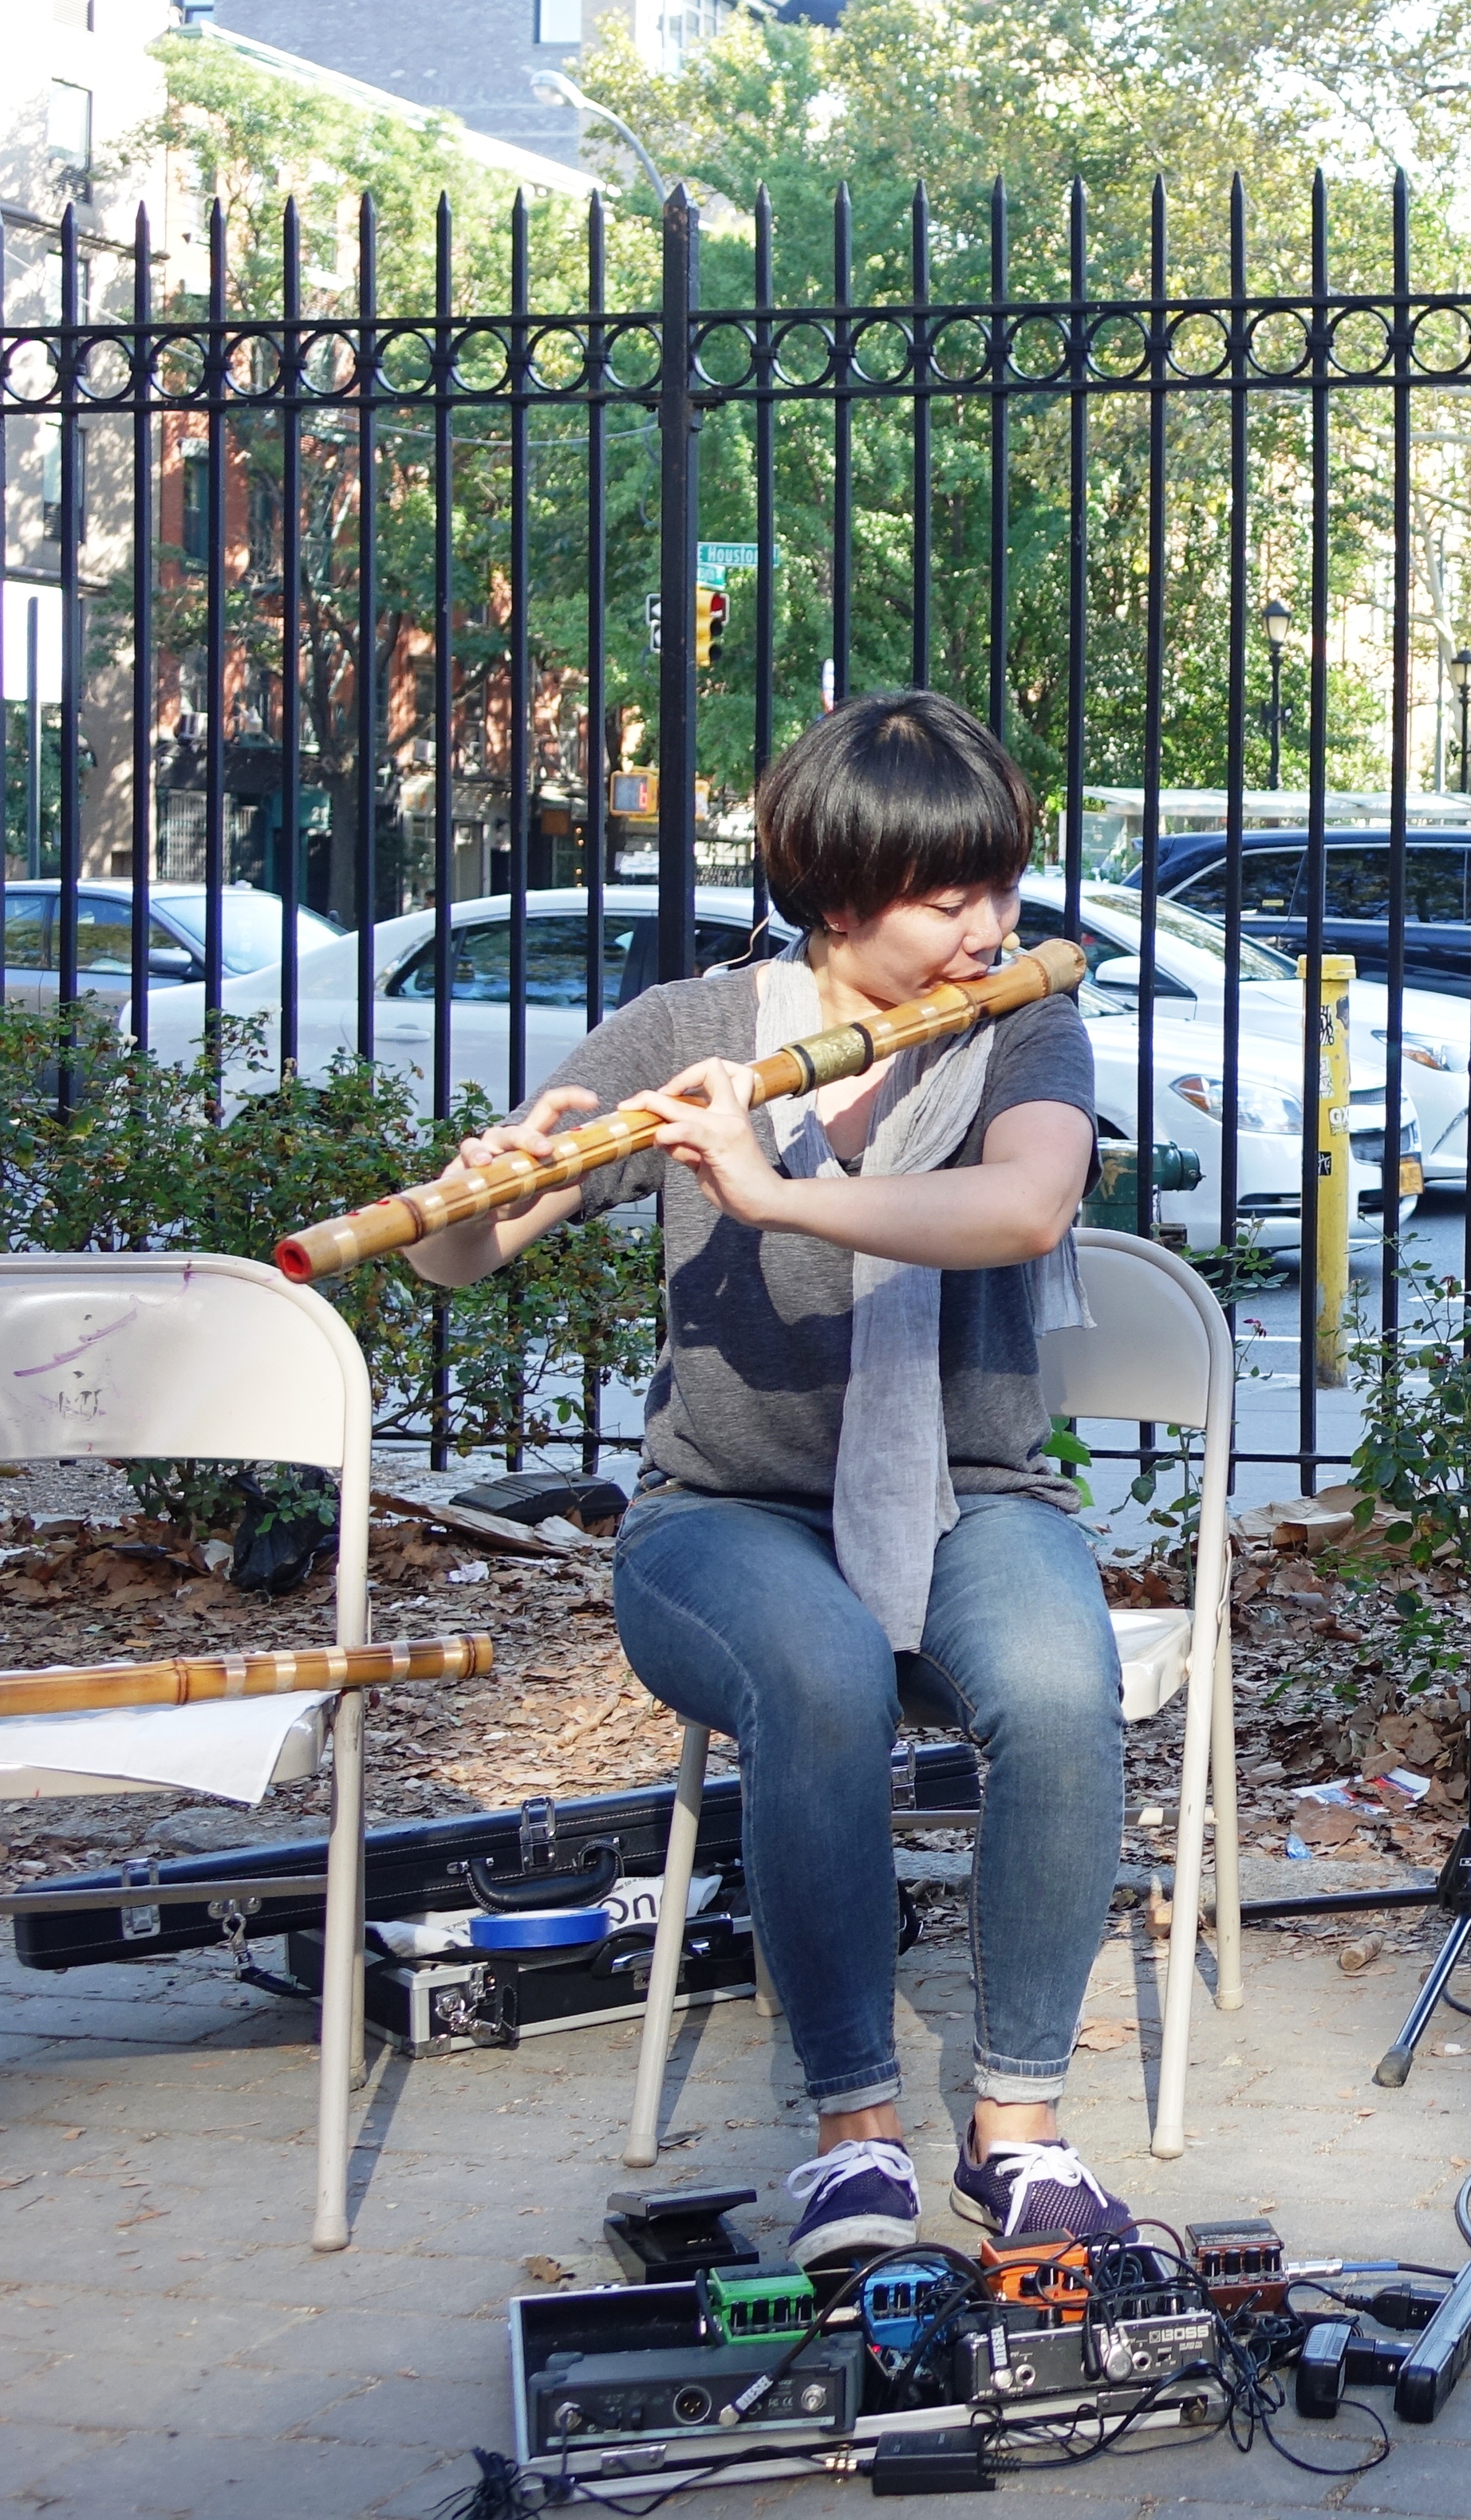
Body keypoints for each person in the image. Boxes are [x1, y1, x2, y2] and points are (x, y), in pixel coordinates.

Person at [406, 691, 1135, 2270]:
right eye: (952, 897)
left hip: (969, 1492)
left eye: (1000, 885)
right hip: (717, 1517)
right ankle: (851, 2136)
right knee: (814, 1678)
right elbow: (476, 1255)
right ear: (839, 890)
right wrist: (473, 1192)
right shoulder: (688, 1029)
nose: (991, 923)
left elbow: (1021, 1206)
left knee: (1063, 1689)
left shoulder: (1024, 1019)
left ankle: (1016, 2123)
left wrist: (776, 1196)